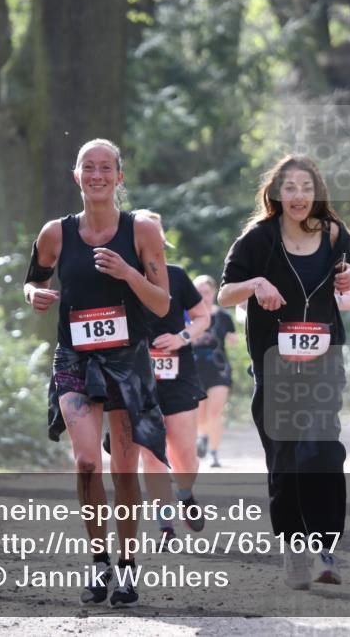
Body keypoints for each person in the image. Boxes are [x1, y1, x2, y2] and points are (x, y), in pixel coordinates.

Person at [24, 138, 170, 608]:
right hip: (74, 359)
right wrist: (34, 296)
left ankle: (127, 568)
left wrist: (129, 273)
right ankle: (99, 563)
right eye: (89, 167)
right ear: (77, 175)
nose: (98, 175)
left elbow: (163, 304)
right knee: (87, 463)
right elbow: (35, 279)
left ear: (119, 177)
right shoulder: (55, 234)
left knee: (125, 467)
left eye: (107, 168)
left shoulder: (142, 230)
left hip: (127, 361)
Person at [217, 155, 350, 590]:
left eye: (306, 186)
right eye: (290, 187)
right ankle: (294, 547)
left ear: (317, 193)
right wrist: (255, 286)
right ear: (276, 194)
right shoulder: (258, 240)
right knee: (284, 461)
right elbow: (224, 294)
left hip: (324, 362)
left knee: (321, 451)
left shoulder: (336, 234)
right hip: (274, 368)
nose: (298, 195)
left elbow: (348, 290)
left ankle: (325, 549)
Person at [132, 210, 211, 540]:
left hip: (178, 374)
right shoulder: (125, 278)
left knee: (184, 453)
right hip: (139, 377)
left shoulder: (177, 276)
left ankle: (186, 493)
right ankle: (165, 523)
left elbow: (202, 317)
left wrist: (182, 338)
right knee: (152, 453)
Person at [191, 275, 238, 468]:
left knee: (215, 412)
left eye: (207, 292)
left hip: (219, 369)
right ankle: (202, 437)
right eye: (199, 293)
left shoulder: (223, 316)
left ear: (214, 293)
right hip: (194, 371)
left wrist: (234, 338)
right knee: (200, 415)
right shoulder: (188, 315)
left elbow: (234, 337)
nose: (204, 296)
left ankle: (214, 453)